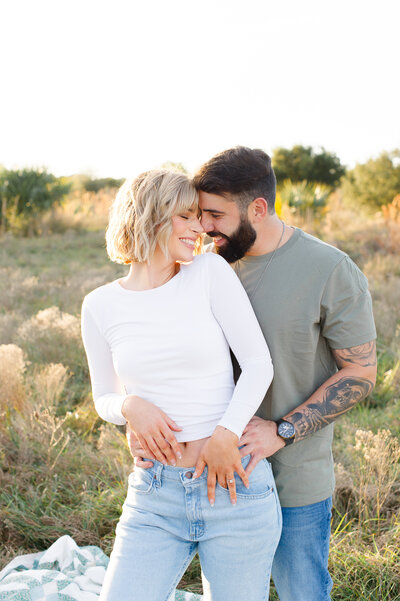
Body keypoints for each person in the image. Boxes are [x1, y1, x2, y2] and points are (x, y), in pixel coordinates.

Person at [130, 148, 377, 601]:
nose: (204, 227)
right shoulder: (200, 267)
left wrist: (282, 430)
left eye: (215, 215)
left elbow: (361, 371)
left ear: (257, 209)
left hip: (293, 477)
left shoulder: (330, 270)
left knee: (301, 591)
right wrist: (136, 412)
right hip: (211, 474)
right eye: (198, 214)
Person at [81, 169, 281, 601]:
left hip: (234, 486)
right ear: (150, 216)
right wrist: (130, 406)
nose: (201, 229)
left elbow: (258, 364)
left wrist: (226, 436)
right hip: (156, 495)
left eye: (200, 218)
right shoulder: (99, 306)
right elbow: (104, 398)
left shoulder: (208, 272)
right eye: (186, 217)